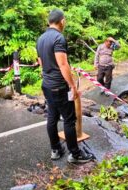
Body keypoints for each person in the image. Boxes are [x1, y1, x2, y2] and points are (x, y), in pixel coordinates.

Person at [36, 9, 93, 164]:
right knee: (69, 120)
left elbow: (40, 62)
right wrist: (73, 86)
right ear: (61, 21)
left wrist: (48, 74)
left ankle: (55, 150)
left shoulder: (41, 38)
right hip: (59, 86)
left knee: (52, 117)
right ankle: (75, 154)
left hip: (47, 85)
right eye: (65, 20)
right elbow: (62, 63)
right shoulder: (58, 38)